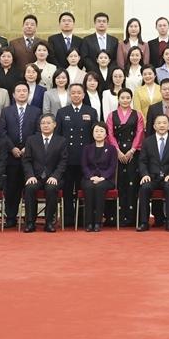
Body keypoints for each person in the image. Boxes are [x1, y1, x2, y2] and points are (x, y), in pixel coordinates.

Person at [55, 83, 98, 229]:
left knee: (83, 189)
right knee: (67, 189)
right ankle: (68, 218)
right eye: (73, 93)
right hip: (67, 157)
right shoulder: (62, 112)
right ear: (69, 95)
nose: (76, 95)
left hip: (85, 158)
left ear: (84, 95)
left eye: (79, 92)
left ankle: (83, 218)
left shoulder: (91, 111)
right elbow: (58, 136)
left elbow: (95, 136)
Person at [0, 83, 39, 228]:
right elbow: (2, 132)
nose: (22, 93)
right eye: (19, 91)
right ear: (14, 95)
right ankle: (10, 217)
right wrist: (12, 148)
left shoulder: (36, 111)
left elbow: (38, 132)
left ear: (28, 94)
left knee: (30, 187)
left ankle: (30, 219)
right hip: (11, 156)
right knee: (12, 188)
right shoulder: (6, 111)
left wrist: (28, 147)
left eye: (24, 91)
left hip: (30, 156)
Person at [137, 114, 169, 232]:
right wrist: (145, 174)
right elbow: (142, 161)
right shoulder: (147, 141)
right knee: (144, 188)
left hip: (168, 177)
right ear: (154, 126)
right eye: (159, 123)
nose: (162, 125)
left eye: (164, 123)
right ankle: (144, 222)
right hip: (152, 177)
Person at [21, 115, 67, 232]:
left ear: (54, 125)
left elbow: (63, 161)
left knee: (51, 188)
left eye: (48, 123)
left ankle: (49, 222)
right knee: (30, 188)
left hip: (53, 177)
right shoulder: (31, 140)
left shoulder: (61, 141)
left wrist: (55, 176)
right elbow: (26, 160)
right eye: (43, 123)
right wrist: (30, 175)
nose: (45, 125)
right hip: (35, 176)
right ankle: (30, 222)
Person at [108, 88, 144, 227]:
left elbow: (140, 133)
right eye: (122, 97)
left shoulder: (137, 114)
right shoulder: (111, 115)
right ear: (118, 99)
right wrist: (117, 150)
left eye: (128, 97)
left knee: (132, 182)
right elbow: (110, 134)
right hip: (116, 152)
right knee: (119, 183)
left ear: (131, 99)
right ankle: (116, 217)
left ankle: (132, 217)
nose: (125, 100)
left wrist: (132, 150)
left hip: (133, 153)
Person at [80, 124, 118, 232]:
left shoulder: (111, 149)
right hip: (89, 178)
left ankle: (97, 222)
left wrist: (103, 177)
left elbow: (112, 166)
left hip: (106, 179)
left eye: (101, 131)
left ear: (106, 134)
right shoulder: (87, 148)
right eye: (96, 131)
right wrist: (91, 176)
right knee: (89, 187)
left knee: (100, 187)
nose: (99, 133)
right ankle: (88, 222)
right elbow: (84, 165)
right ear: (92, 134)